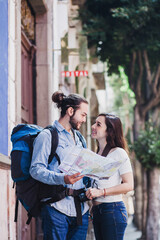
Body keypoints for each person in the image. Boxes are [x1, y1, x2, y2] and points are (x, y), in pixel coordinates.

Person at [30, 91, 89, 240]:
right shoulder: (47, 136)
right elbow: (36, 170)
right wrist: (63, 178)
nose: (84, 120)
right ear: (70, 111)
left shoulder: (80, 139)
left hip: (81, 211)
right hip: (56, 209)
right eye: (83, 115)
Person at [86, 113, 134, 240]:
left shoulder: (119, 153)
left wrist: (101, 192)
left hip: (112, 211)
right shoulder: (98, 153)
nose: (92, 126)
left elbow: (129, 185)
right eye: (94, 123)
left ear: (109, 131)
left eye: (98, 124)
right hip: (98, 211)